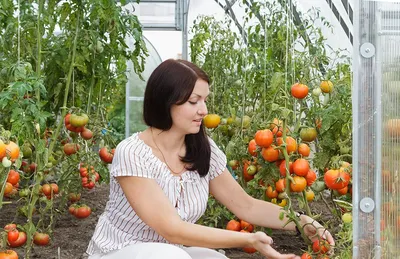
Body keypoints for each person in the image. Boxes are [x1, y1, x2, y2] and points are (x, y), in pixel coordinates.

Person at [86, 59, 335, 259]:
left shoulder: (203, 148)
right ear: (165, 102)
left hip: (171, 251)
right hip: (120, 251)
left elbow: (246, 206)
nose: (204, 110)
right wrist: (248, 239)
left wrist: (300, 221)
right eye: (194, 101)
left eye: (205, 100)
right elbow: (170, 229)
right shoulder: (133, 153)